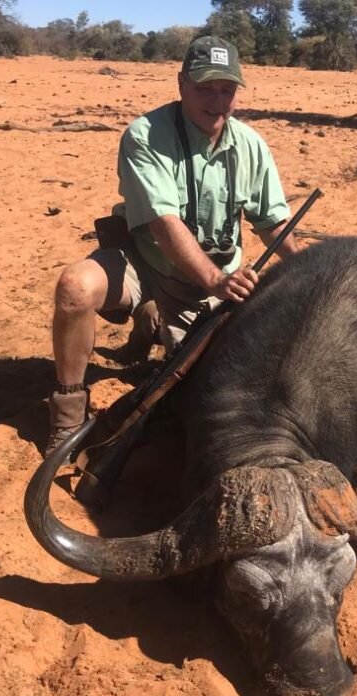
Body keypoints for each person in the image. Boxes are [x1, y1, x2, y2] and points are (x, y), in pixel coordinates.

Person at [46, 36, 302, 454]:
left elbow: (273, 221)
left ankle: (155, 321)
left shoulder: (252, 145)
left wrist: (313, 268)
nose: (217, 101)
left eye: (227, 89)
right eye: (205, 88)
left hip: (212, 287)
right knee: (75, 289)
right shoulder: (145, 136)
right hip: (147, 265)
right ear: (181, 83)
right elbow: (164, 226)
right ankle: (67, 416)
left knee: (207, 387)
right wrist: (217, 280)